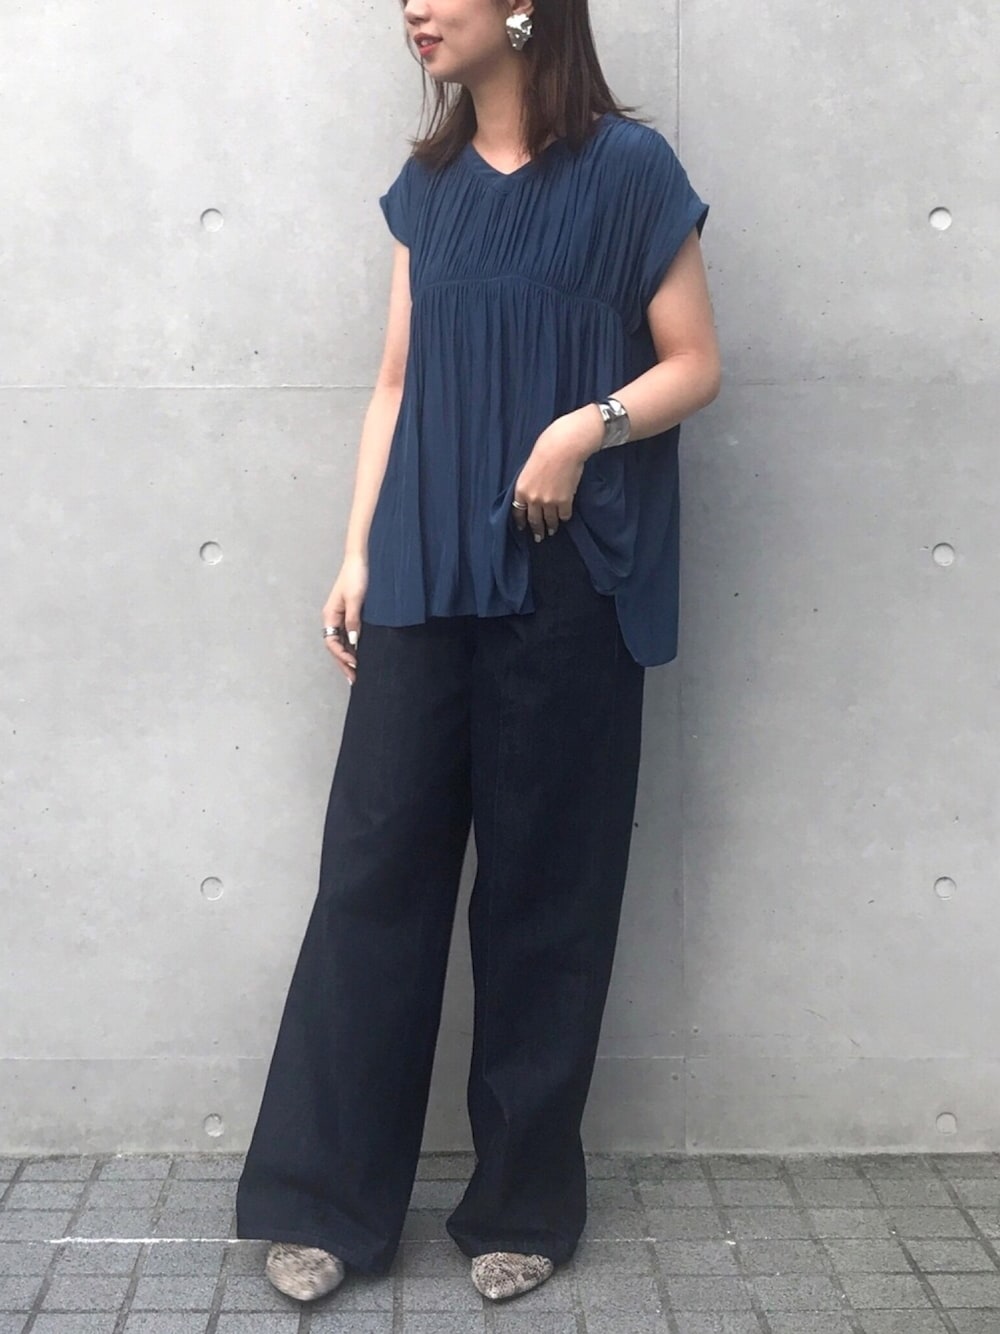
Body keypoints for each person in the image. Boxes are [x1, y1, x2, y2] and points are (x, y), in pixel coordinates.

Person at [234, 0, 721, 1307]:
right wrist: (355, 552)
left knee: (545, 892)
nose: (415, 7)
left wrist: (582, 426)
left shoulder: (631, 171)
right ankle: (328, 1201)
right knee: (371, 879)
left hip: (570, 579)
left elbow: (695, 363)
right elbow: (397, 382)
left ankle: (522, 1199)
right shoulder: (429, 186)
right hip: (420, 567)